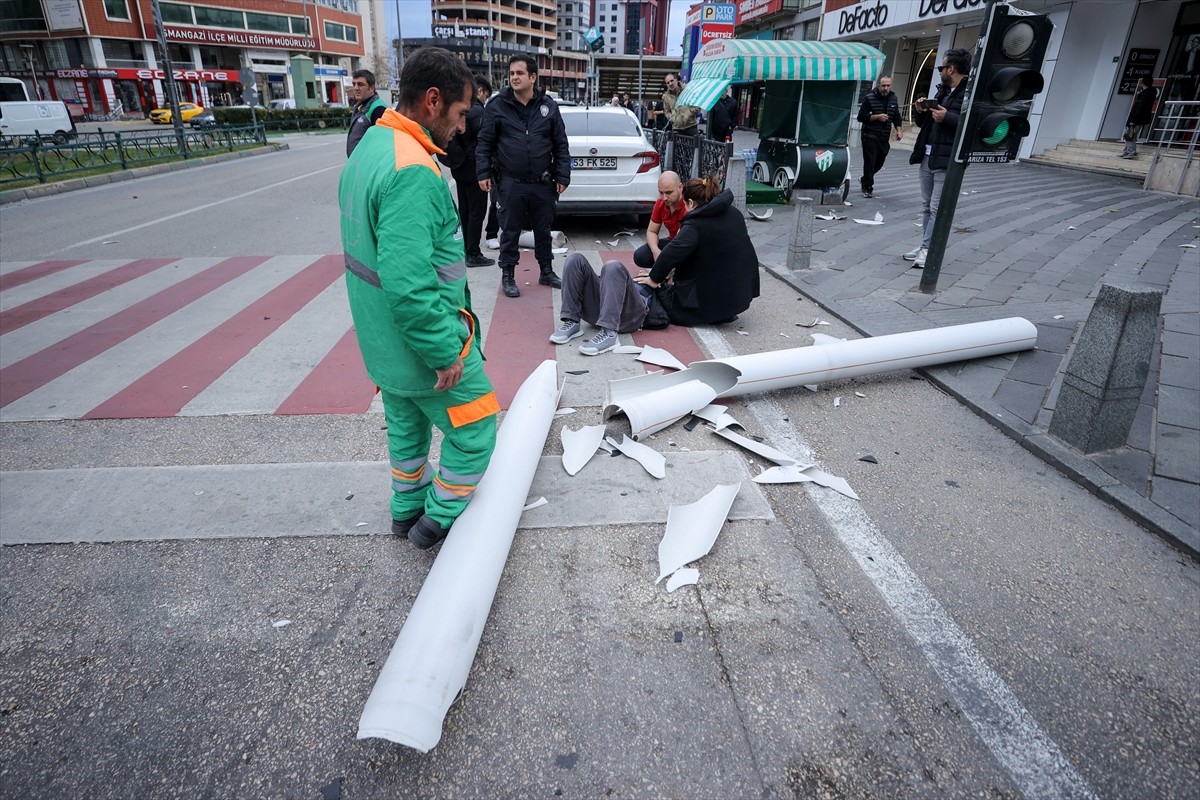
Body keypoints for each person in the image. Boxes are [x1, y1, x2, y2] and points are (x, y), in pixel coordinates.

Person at [338, 47, 498, 550]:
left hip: (383, 342)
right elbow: (410, 284)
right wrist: (444, 350)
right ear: (433, 101)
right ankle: (439, 517)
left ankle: (406, 507)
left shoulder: (370, 147)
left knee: (406, 433)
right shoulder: (412, 170)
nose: (463, 124)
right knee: (475, 428)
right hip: (422, 343)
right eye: (460, 112)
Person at [477, 53, 571, 298]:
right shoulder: (497, 105)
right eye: (511, 74)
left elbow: (560, 143)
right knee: (509, 231)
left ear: (532, 77)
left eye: (519, 73)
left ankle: (546, 271)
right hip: (510, 183)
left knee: (543, 229)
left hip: (542, 182)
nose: (514, 78)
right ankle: (508, 274)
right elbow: (485, 143)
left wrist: (562, 175)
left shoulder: (548, 106)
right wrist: (483, 172)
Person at [634, 175, 759, 328]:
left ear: (691, 203)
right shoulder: (733, 213)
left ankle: (714, 310)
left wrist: (654, 278)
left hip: (716, 293)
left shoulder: (695, 225)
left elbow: (671, 253)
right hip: (741, 290)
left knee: (671, 302)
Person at [905, 48, 972, 269]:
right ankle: (926, 244)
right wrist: (920, 111)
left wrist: (948, 118)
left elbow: (973, 126)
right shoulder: (942, 91)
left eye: (942, 67)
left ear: (951, 68)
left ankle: (928, 249)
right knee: (926, 206)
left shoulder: (968, 94)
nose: (940, 71)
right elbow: (925, 125)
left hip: (946, 159)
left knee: (935, 207)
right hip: (927, 155)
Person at [442, 74, 495, 268]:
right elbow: (485, 142)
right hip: (474, 169)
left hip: (459, 167)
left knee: (464, 211)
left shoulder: (462, 111)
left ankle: (465, 249)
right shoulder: (477, 111)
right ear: (480, 91)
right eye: (486, 96)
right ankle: (473, 253)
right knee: (477, 212)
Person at [856, 75, 903, 198]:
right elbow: (861, 117)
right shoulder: (869, 98)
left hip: (884, 136)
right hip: (869, 134)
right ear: (878, 85)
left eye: (888, 85)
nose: (886, 88)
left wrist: (899, 130)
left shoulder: (893, 98)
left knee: (880, 162)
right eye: (883, 85)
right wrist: (876, 117)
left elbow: (896, 116)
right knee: (870, 162)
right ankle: (868, 187)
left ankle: (865, 178)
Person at [632, 171, 685, 270]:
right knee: (640, 256)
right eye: (661, 192)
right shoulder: (660, 203)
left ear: (680, 187)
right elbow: (652, 231)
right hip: (673, 241)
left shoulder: (688, 205)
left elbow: (684, 243)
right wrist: (656, 251)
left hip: (686, 245)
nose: (664, 198)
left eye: (669, 192)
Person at [345, 69, 387, 156]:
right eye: (354, 84)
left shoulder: (378, 109)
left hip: (369, 164)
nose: (356, 88)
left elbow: (383, 143)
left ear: (371, 88)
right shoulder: (361, 106)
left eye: (360, 84)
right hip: (359, 163)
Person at [1121, 77, 1158, 159]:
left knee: (1131, 135)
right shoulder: (1150, 93)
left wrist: (1133, 120)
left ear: (1142, 83)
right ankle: (1127, 151)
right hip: (1140, 118)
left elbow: (1139, 107)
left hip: (1136, 119)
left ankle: (1130, 152)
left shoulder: (1145, 94)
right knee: (1129, 135)